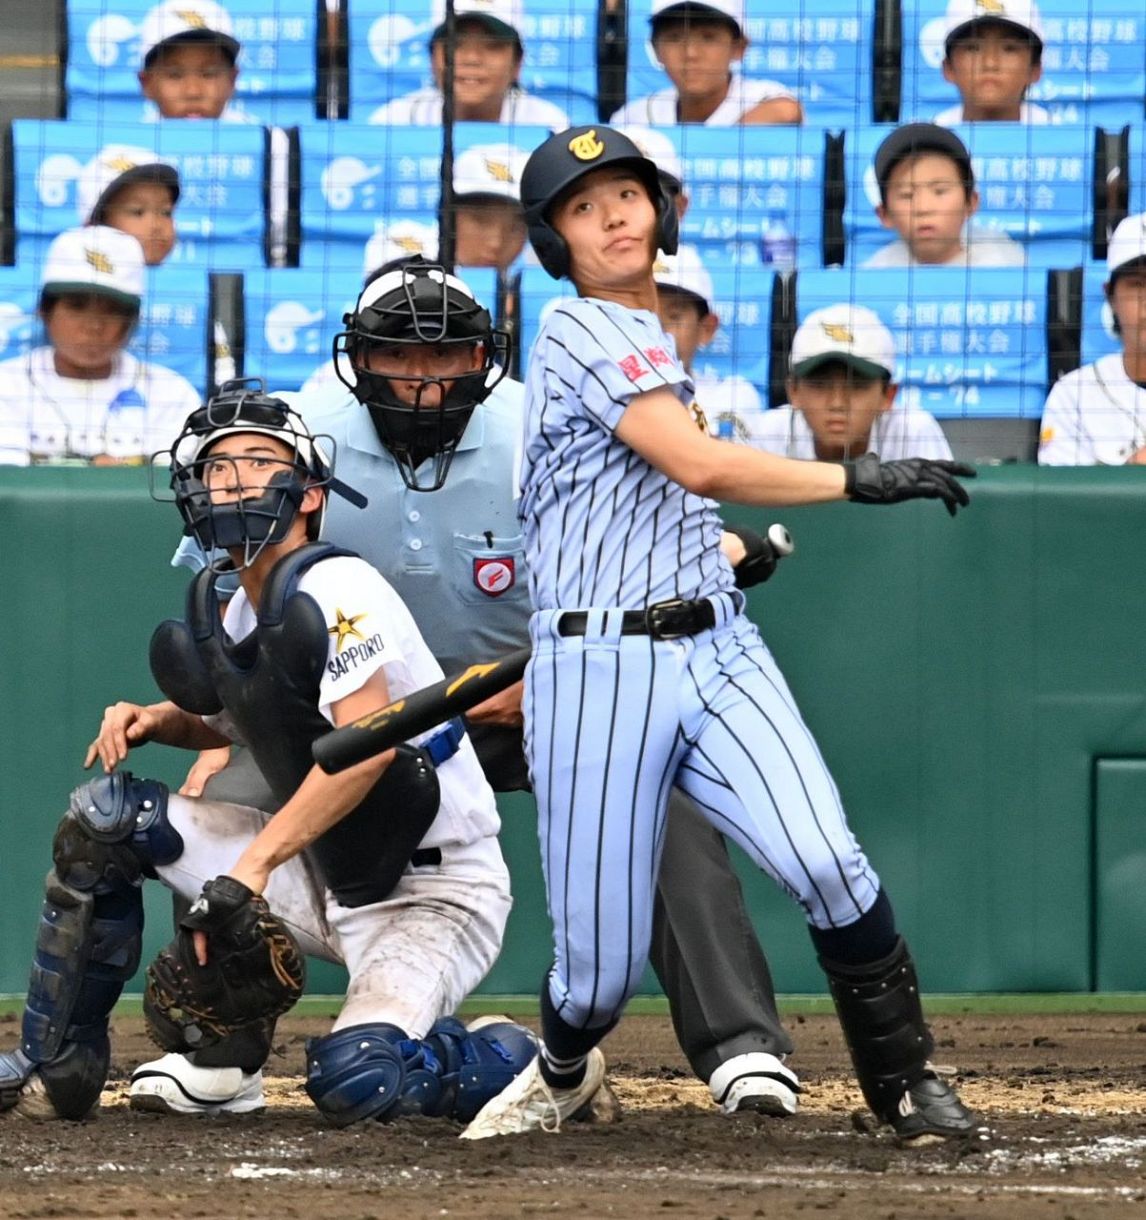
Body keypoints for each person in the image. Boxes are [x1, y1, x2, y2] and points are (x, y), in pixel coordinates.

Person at [160, 259, 807, 1121]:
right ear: (360, 358)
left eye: (448, 356)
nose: (423, 378)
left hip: (542, 700)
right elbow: (233, 576)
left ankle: (742, 1052)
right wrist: (221, 730)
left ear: (483, 358)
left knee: (663, 806)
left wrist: (558, 675)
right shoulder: (300, 430)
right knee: (227, 808)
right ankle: (222, 1059)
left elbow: (654, 563)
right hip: (355, 724)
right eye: (399, 354)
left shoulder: (552, 430)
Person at [459, 125, 978, 1143]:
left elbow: (666, 491)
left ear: (660, 208)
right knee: (599, 966)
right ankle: (563, 1065)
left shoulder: (654, 338)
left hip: (717, 646)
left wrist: (722, 547)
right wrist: (852, 476)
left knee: (829, 861)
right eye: (581, 205)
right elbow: (694, 462)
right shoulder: (576, 326)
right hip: (600, 664)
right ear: (556, 238)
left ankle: (906, 1080)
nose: (611, 213)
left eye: (626, 192)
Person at [0, 381, 537, 1124]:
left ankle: (513, 1056)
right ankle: (56, 1064)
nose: (234, 480)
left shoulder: (343, 586)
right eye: (219, 467)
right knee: (108, 819)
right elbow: (242, 722)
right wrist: (157, 718)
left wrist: (251, 870)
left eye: (257, 461)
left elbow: (368, 752)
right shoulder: (234, 600)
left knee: (359, 1081)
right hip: (320, 872)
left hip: (432, 893)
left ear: (308, 492)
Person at [0, 226, 201, 466]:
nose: (94, 325)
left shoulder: (171, 393)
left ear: (133, 321)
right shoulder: (7, 385)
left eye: (112, 310)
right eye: (77, 306)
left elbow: (176, 489)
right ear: (44, 311)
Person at [76, 148, 236, 385]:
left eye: (166, 212)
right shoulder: (71, 286)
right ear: (94, 223)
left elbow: (224, 378)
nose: (156, 225)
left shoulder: (190, 291)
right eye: (137, 212)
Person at [751, 305, 953, 461]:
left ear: (888, 395)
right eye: (820, 385)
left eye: (856, 386)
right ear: (793, 391)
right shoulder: (771, 433)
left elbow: (944, 513)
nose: (837, 403)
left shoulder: (913, 431)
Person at [1039, 213, 1146, 465]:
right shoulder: (1073, 394)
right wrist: (1130, 471)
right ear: (1110, 295)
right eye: (1138, 284)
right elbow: (1059, 499)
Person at [367, 0, 569, 128]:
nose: (472, 58)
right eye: (455, 44)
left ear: (518, 63)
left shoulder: (549, 126)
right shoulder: (392, 122)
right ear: (432, 58)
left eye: (492, 46)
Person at [609, 0, 801, 127]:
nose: (690, 53)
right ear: (655, 50)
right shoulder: (634, 117)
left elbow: (786, 112)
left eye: (708, 38)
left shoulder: (760, 97)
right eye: (675, 38)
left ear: (739, 48)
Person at [864, 123, 1027, 269]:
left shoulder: (1005, 265)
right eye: (907, 195)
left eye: (940, 191)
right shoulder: (875, 276)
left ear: (970, 203)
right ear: (884, 214)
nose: (924, 208)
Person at [651, 246, 765, 435]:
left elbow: (713, 460)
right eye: (644, 313)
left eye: (673, 316)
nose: (656, 328)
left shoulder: (732, 396)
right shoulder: (600, 391)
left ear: (707, 328)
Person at [932, 0, 1049, 127]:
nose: (990, 63)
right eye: (973, 48)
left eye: (1009, 48)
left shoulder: (1059, 138)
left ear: (1035, 69)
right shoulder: (926, 141)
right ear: (948, 68)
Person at [137, 0, 253, 122]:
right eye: (175, 75)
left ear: (232, 80)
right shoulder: (128, 140)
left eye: (209, 74)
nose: (193, 92)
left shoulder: (265, 139)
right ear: (146, 83)